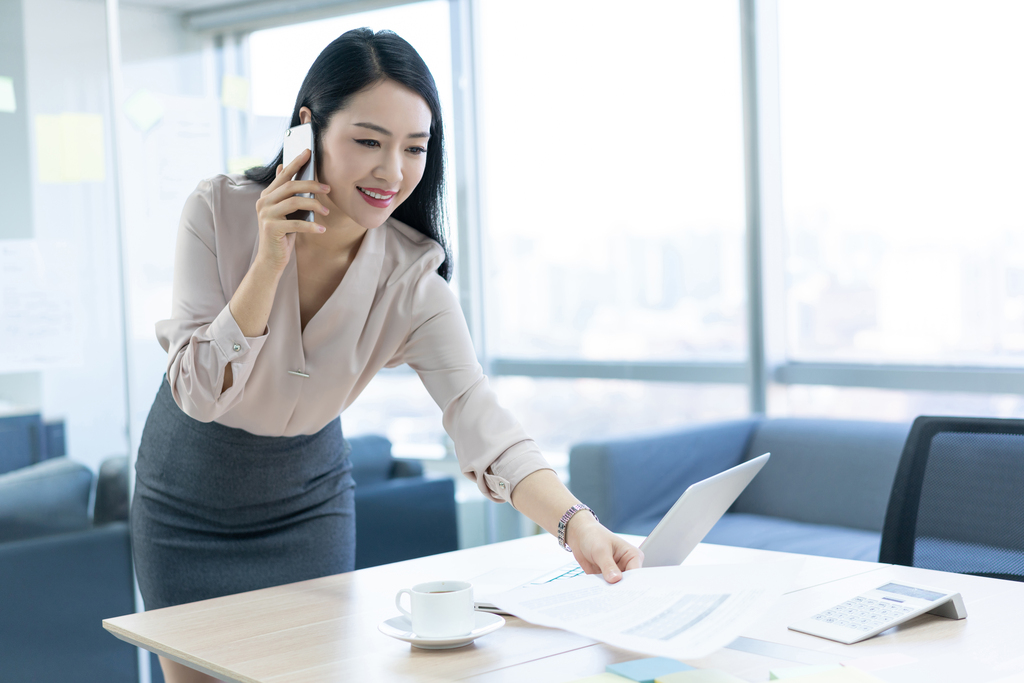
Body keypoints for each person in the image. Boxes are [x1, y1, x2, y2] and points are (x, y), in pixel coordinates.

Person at [131, 27, 643, 683]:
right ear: (307, 128)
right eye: (368, 142)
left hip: (305, 500)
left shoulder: (413, 280)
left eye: (415, 148)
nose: (393, 172)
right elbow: (197, 391)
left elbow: (477, 416)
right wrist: (267, 265)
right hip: (188, 498)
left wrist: (579, 526)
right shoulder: (218, 210)